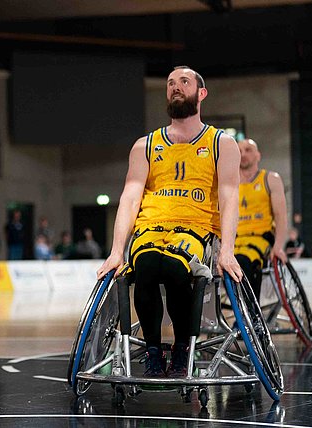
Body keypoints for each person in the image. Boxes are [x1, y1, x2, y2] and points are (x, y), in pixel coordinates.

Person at [96, 66, 242, 379]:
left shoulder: (221, 143)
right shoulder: (145, 145)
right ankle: (152, 351)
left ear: (201, 94)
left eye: (184, 82)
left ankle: (181, 348)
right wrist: (115, 251)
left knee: (176, 269)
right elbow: (130, 199)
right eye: (171, 83)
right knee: (147, 266)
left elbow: (230, 198)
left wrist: (227, 250)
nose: (176, 87)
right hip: (151, 227)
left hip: (195, 228)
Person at [233, 139, 288, 298]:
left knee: (242, 262)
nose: (243, 154)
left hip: (260, 239)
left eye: (248, 150)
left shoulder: (270, 179)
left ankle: (252, 317)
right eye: (240, 151)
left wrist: (278, 246)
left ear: (258, 155)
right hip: (235, 240)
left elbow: (281, 216)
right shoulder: (230, 183)